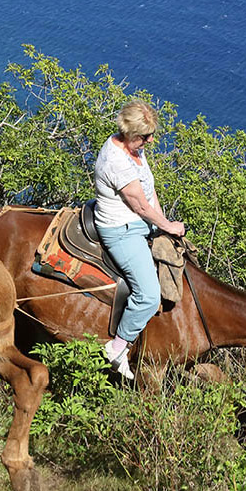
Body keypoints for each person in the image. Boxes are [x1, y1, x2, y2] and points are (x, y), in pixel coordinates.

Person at [93, 98, 185, 379]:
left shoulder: (134, 149)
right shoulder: (116, 161)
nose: (151, 139)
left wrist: (163, 223)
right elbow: (140, 206)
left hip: (140, 222)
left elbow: (148, 190)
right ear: (131, 134)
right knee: (147, 295)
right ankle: (118, 347)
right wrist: (167, 226)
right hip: (121, 229)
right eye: (146, 136)